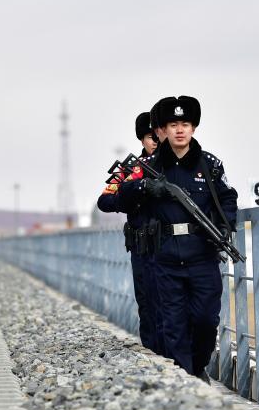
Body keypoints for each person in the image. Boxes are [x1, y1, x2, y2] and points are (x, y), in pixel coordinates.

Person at [117, 95, 238, 383]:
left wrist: (224, 227)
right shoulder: (149, 165)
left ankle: (197, 366)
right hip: (165, 256)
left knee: (206, 319)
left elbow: (228, 198)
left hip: (202, 253)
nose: (180, 130)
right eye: (173, 125)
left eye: (185, 124)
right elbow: (119, 197)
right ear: (164, 130)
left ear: (193, 127)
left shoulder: (210, 165)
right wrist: (145, 187)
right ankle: (187, 379)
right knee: (173, 323)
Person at [97, 112, 163, 355]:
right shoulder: (131, 169)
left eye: (158, 135)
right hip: (141, 246)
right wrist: (132, 194)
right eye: (150, 137)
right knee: (146, 301)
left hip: (168, 244)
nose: (155, 141)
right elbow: (104, 201)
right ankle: (153, 353)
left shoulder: (172, 165)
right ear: (141, 139)